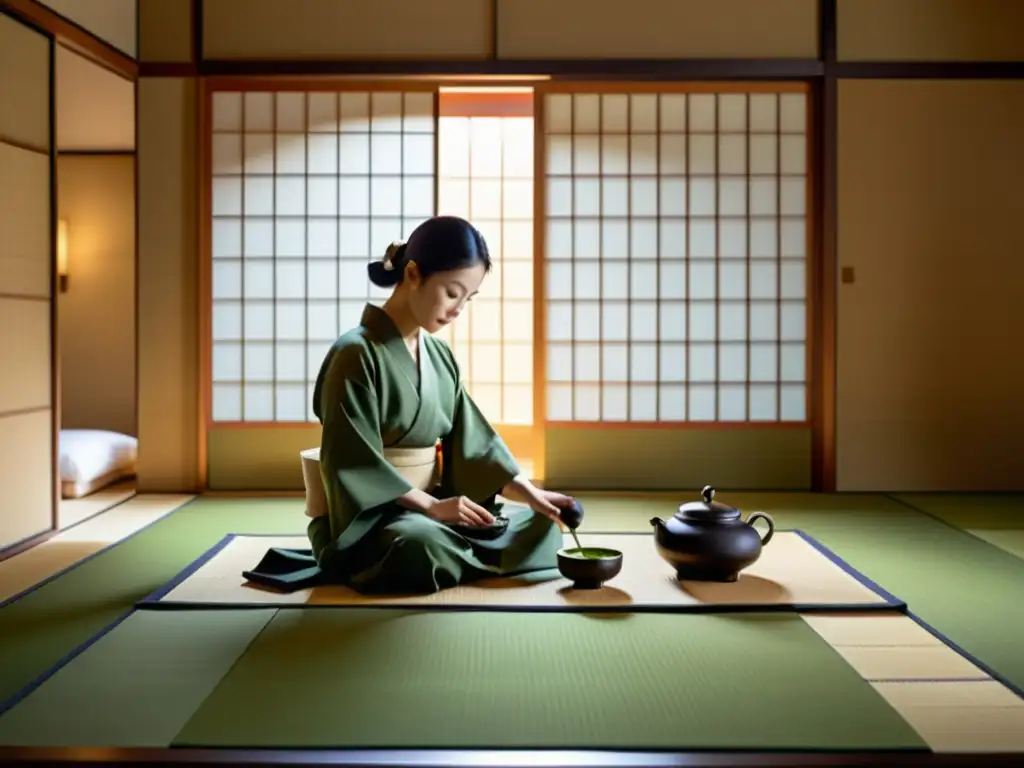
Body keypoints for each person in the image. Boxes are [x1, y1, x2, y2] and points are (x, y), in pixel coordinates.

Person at [242, 216, 574, 595]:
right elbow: (352, 461)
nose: (457, 310)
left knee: (543, 528)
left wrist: (533, 495)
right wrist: (431, 510)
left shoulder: (440, 355)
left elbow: (476, 445)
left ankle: (455, 551)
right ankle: (452, 553)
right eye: (452, 293)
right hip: (371, 521)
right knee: (417, 547)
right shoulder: (355, 354)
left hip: (433, 510)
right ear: (413, 274)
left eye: (468, 299)